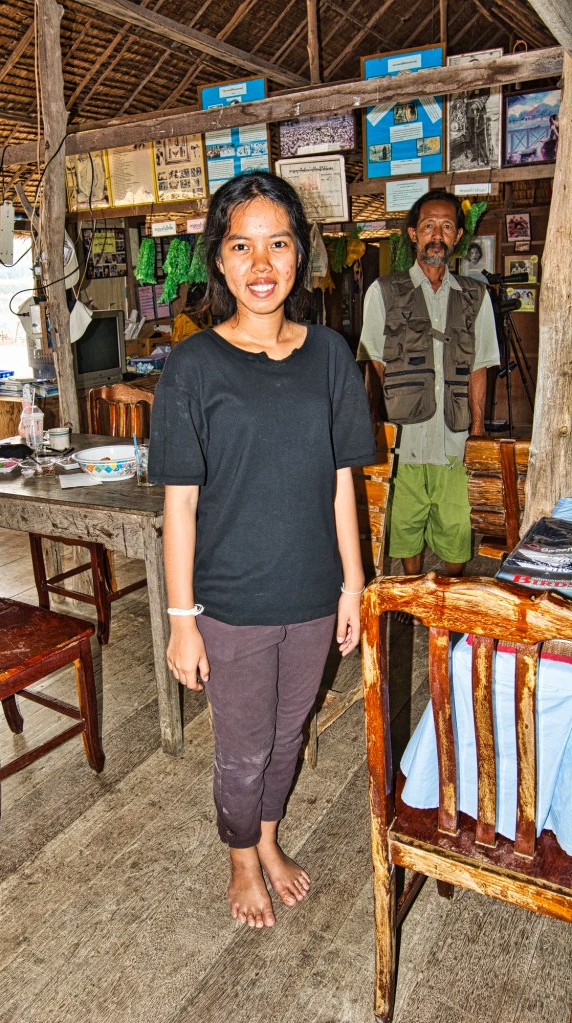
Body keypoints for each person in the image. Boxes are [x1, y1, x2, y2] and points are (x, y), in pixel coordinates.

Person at [149, 171, 375, 929]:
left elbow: (345, 484)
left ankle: (269, 840)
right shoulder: (193, 367)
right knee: (243, 748)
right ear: (219, 260)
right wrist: (182, 618)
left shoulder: (330, 355)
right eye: (242, 244)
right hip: (232, 604)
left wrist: (354, 588)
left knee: (288, 734)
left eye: (278, 242)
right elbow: (178, 504)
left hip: (313, 594)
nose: (261, 261)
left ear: (299, 256)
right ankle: (241, 857)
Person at [358, 189, 499, 581]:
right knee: (404, 526)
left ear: (457, 238)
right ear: (413, 234)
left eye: (447, 227)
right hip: (403, 436)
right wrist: (374, 428)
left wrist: (477, 429)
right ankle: (411, 589)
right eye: (428, 226)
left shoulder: (475, 297)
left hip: (453, 437)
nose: (437, 235)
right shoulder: (383, 292)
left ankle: (448, 591)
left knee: (457, 527)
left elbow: (481, 365)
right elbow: (374, 365)